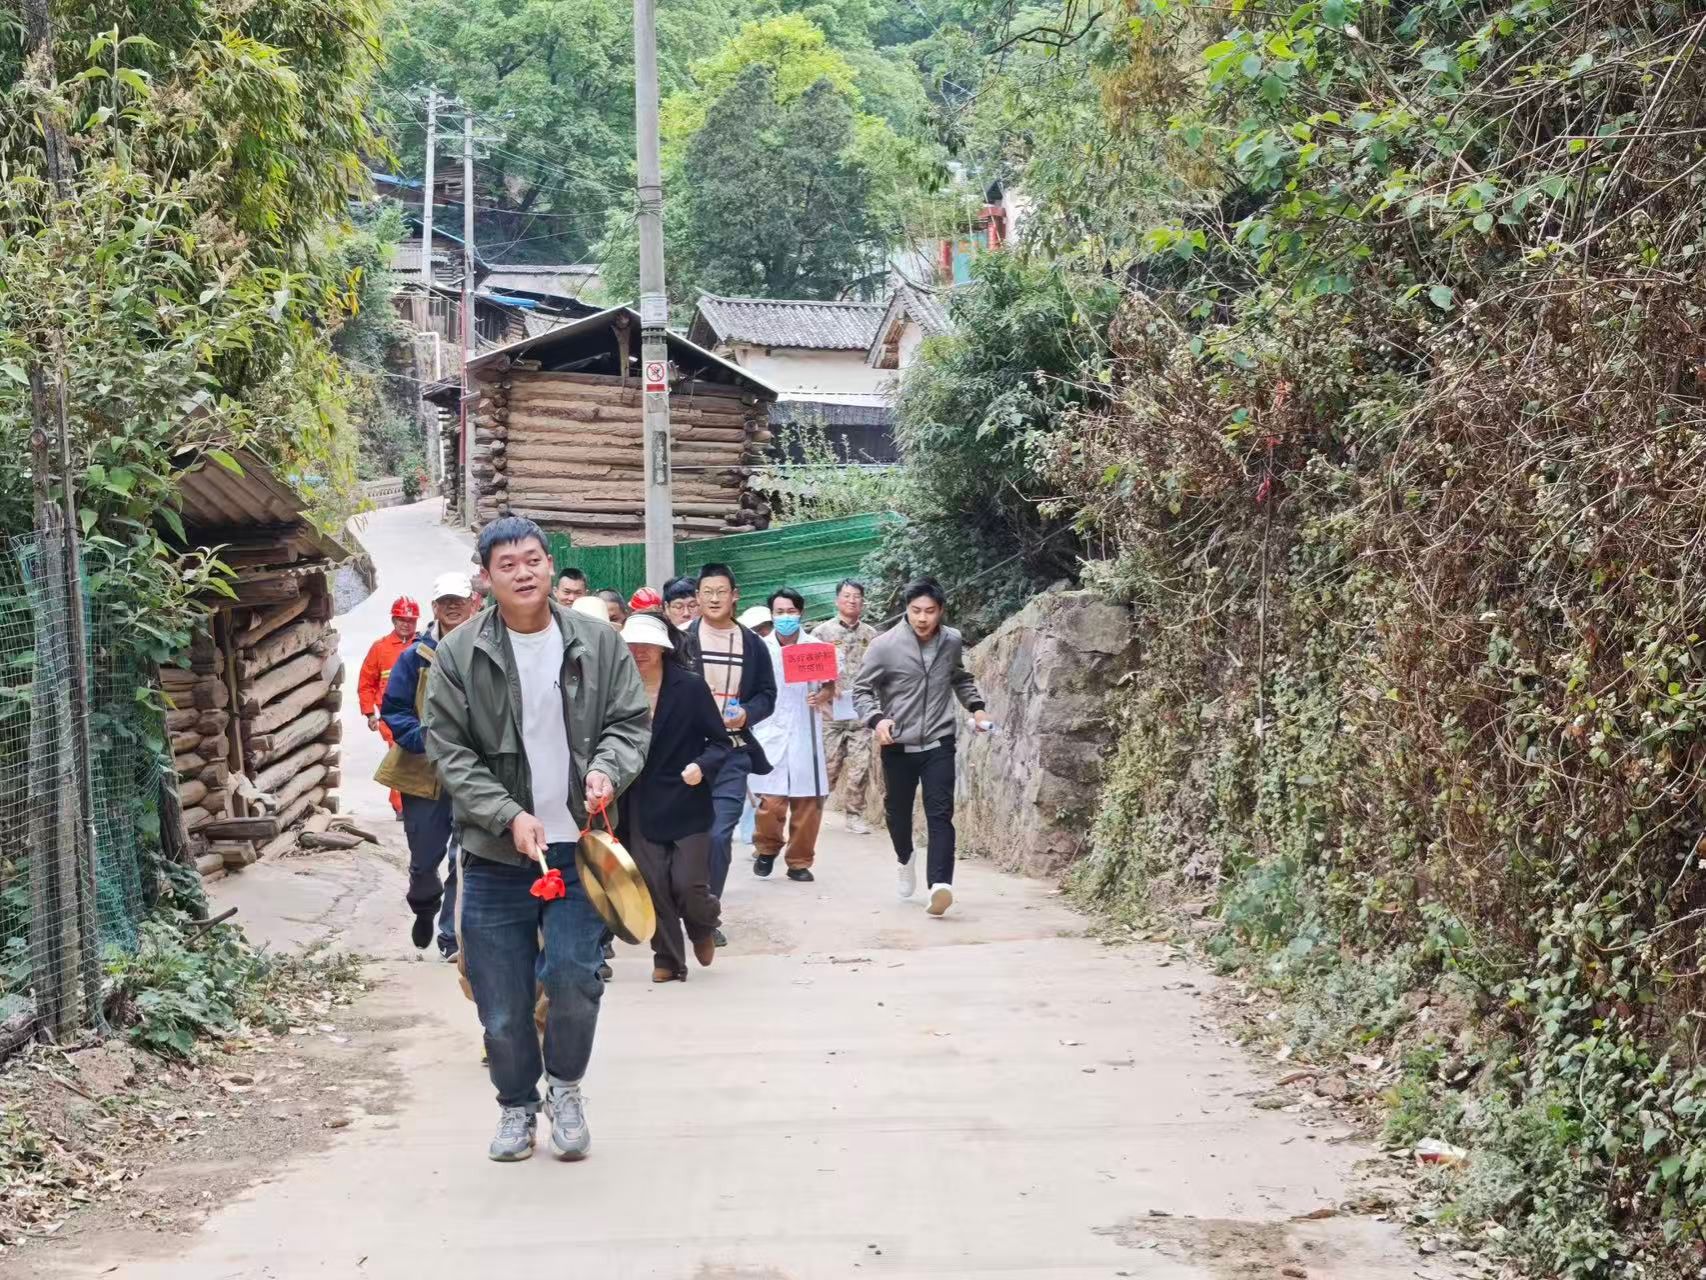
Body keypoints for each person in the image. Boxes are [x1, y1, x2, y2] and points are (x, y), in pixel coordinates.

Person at [424, 516, 650, 1163]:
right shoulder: (459, 654)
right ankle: (517, 1105)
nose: (523, 573)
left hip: (580, 849)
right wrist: (506, 815)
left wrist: (608, 768)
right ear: (486, 578)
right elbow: (449, 750)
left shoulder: (597, 642)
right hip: (496, 854)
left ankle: (566, 1089)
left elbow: (629, 722)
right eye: (507, 565)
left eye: (532, 560)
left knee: (575, 976)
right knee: (502, 1003)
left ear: (550, 565)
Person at [852, 578, 990, 918]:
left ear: (941, 610)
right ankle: (905, 858)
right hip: (897, 743)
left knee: (940, 813)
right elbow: (861, 690)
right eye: (916, 611)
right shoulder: (884, 645)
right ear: (907, 610)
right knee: (897, 814)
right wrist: (877, 720)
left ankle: (940, 885)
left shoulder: (951, 640)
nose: (922, 618)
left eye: (929, 611)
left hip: (939, 741)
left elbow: (959, 677)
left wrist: (977, 708)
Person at [617, 611, 731, 982]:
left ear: (664, 648)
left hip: (686, 798)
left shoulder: (690, 687)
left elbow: (720, 743)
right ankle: (666, 958)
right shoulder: (617, 688)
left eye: (648, 645)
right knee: (653, 885)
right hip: (640, 800)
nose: (640, 651)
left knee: (689, 885)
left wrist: (701, 766)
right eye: (633, 645)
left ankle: (702, 925)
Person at [377, 576, 475, 958]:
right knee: (424, 862)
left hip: (471, 772)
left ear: (472, 603)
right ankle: (424, 906)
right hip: (423, 773)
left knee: (463, 858)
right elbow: (394, 709)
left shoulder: (485, 649)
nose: (452, 606)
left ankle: (451, 938)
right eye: (445, 600)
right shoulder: (414, 657)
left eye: (458, 599)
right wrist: (423, 740)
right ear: (434, 607)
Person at [680, 563, 776, 943]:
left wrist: (747, 713)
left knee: (719, 835)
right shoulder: (681, 640)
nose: (715, 598)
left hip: (733, 752)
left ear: (735, 595)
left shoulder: (752, 644)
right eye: (707, 592)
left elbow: (767, 694)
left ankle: (707, 916)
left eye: (721, 591)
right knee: (684, 837)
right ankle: (680, 904)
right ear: (697, 597)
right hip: (686, 753)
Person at [749, 589, 829, 883]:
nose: (785, 617)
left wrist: (822, 696)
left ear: (801, 613)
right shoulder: (759, 648)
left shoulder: (816, 648)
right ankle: (767, 848)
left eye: (791, 611)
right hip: (771, 729)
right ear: (771, 615)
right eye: (779, 612)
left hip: (805, 730)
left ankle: (799, 862)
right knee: (771, 801)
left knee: (808, 802)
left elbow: (831, 685)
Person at [813, 579, 879, 834]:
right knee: (828, 767)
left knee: (861, 766)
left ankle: (855, 815)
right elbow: (810, 671)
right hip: (831, 713)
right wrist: (827, 687)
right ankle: (813, 812)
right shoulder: (821, 634)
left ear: (863, 601)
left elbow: (880, 669)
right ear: (837, 600)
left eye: (857, 596)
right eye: (847, 595)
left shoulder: (871, 635)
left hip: (861, 712)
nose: (852, 600)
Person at [358, 597, 419, 820]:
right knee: (399, 754)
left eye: (410, 620)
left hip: (420, 714)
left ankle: (416, 803)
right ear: (394, 620)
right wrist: (369, 713)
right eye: (402, 620)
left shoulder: (423, 646)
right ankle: (401, 806)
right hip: (392, 718)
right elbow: (366, 682)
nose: (406, 624)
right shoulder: (380, 648)